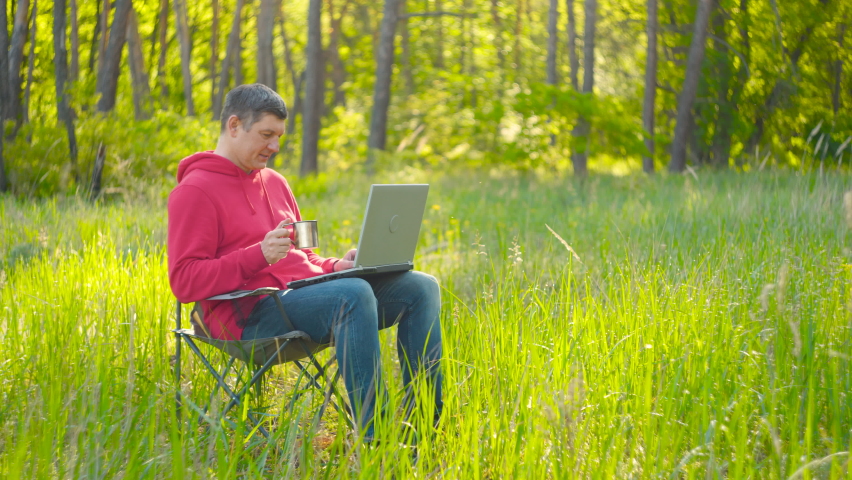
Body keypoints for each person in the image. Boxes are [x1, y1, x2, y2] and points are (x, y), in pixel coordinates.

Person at [167, 84, 442, 440]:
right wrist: (258, 255)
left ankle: (425, 428)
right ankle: (379, 440)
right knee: (353, 295)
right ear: (234, 125)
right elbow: (184, 281)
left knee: (420, 287)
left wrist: (334, 267)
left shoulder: (276, 182)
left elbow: (303, 256)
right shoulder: (195, 191)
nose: (275, 147)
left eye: (279, 137)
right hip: (247, 317)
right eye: (267, 135)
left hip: (299, 298)